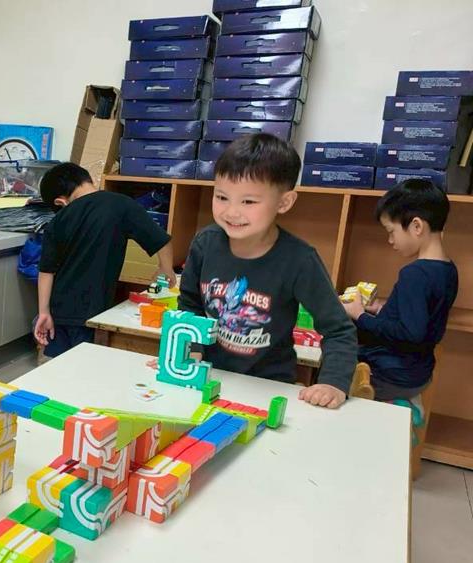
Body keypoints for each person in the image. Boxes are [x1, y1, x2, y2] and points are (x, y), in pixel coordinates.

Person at [176, 134, 357, 408]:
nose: (231, 212)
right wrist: (189, 352)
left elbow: (339, 329)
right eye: (222, 197)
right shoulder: (205, 243)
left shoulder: (299, 260)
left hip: (268, 387)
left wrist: (333, 382)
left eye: (248, 202)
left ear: (284, 202)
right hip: (208, 377)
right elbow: (190, 305)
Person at [34, 162, 175, 358]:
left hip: (59, 312)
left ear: (60, 202)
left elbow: (46, 271)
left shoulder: (58, 220)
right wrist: (165, 269)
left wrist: (44, 313)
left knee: (58, 366)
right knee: (87, 364)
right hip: (94, 313)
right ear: (88, 179)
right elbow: (162, 241)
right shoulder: (121, 204)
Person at [342, 179, 457, 413]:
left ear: (417, 226)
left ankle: (394, 407)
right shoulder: (447, 269)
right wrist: (382, 310)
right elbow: (422, 319)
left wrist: (360, 315)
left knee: (333, 365)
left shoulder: (415, 274)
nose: (390, 240)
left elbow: (410, 333)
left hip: (391, 375)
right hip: (418, 372)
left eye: (391, 231)